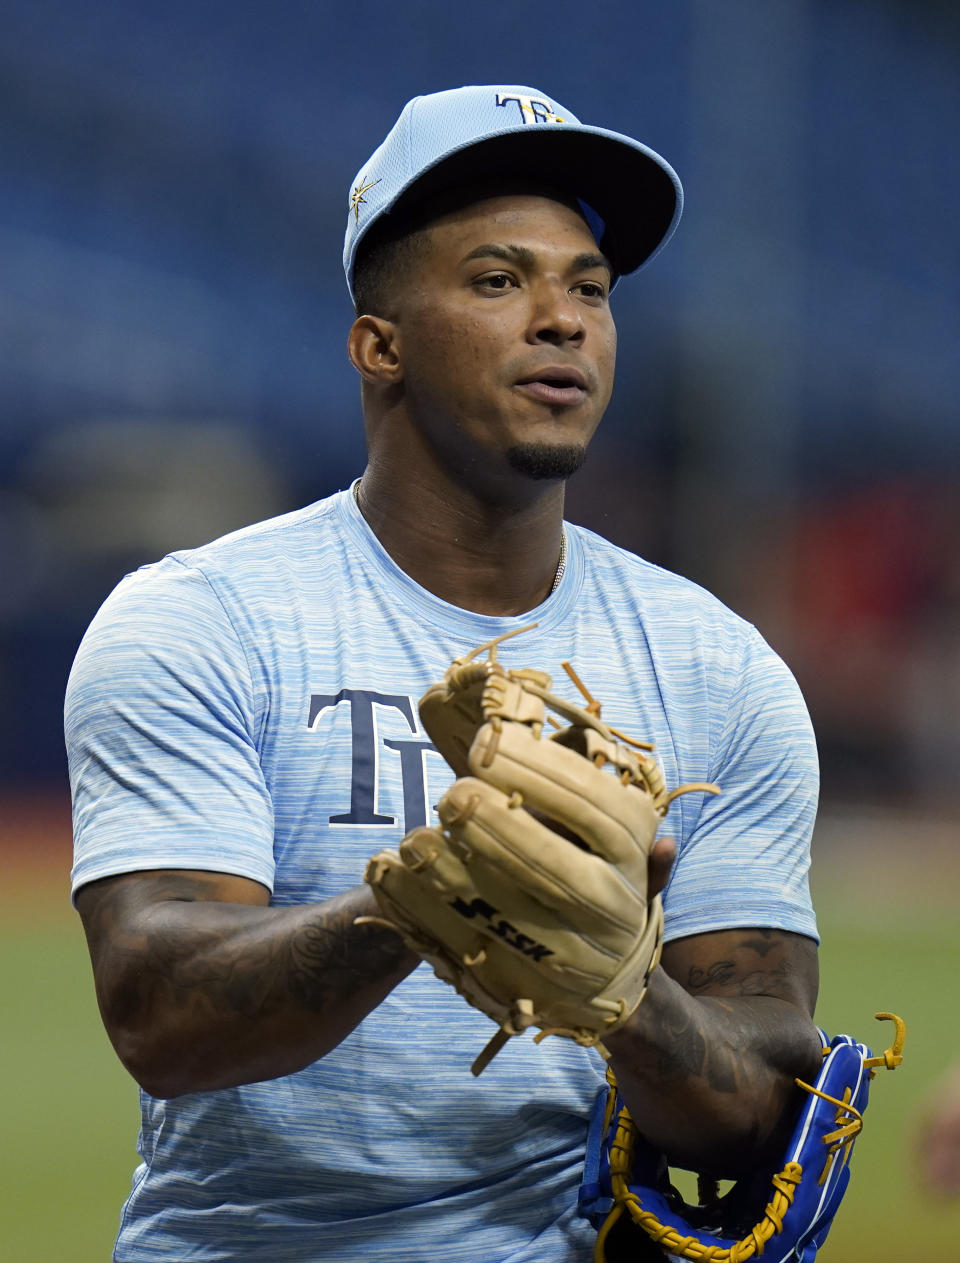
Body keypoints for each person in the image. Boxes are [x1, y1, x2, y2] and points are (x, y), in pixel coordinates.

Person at [66, 85, 823, 1263]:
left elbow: (759, 1116)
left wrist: (623, 991)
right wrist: (430, 902)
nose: (563, 319)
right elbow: (162, 1018)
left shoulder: (715, 667)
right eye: (497, 280)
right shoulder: (203, 621)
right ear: (381, 344)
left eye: (590, 287)